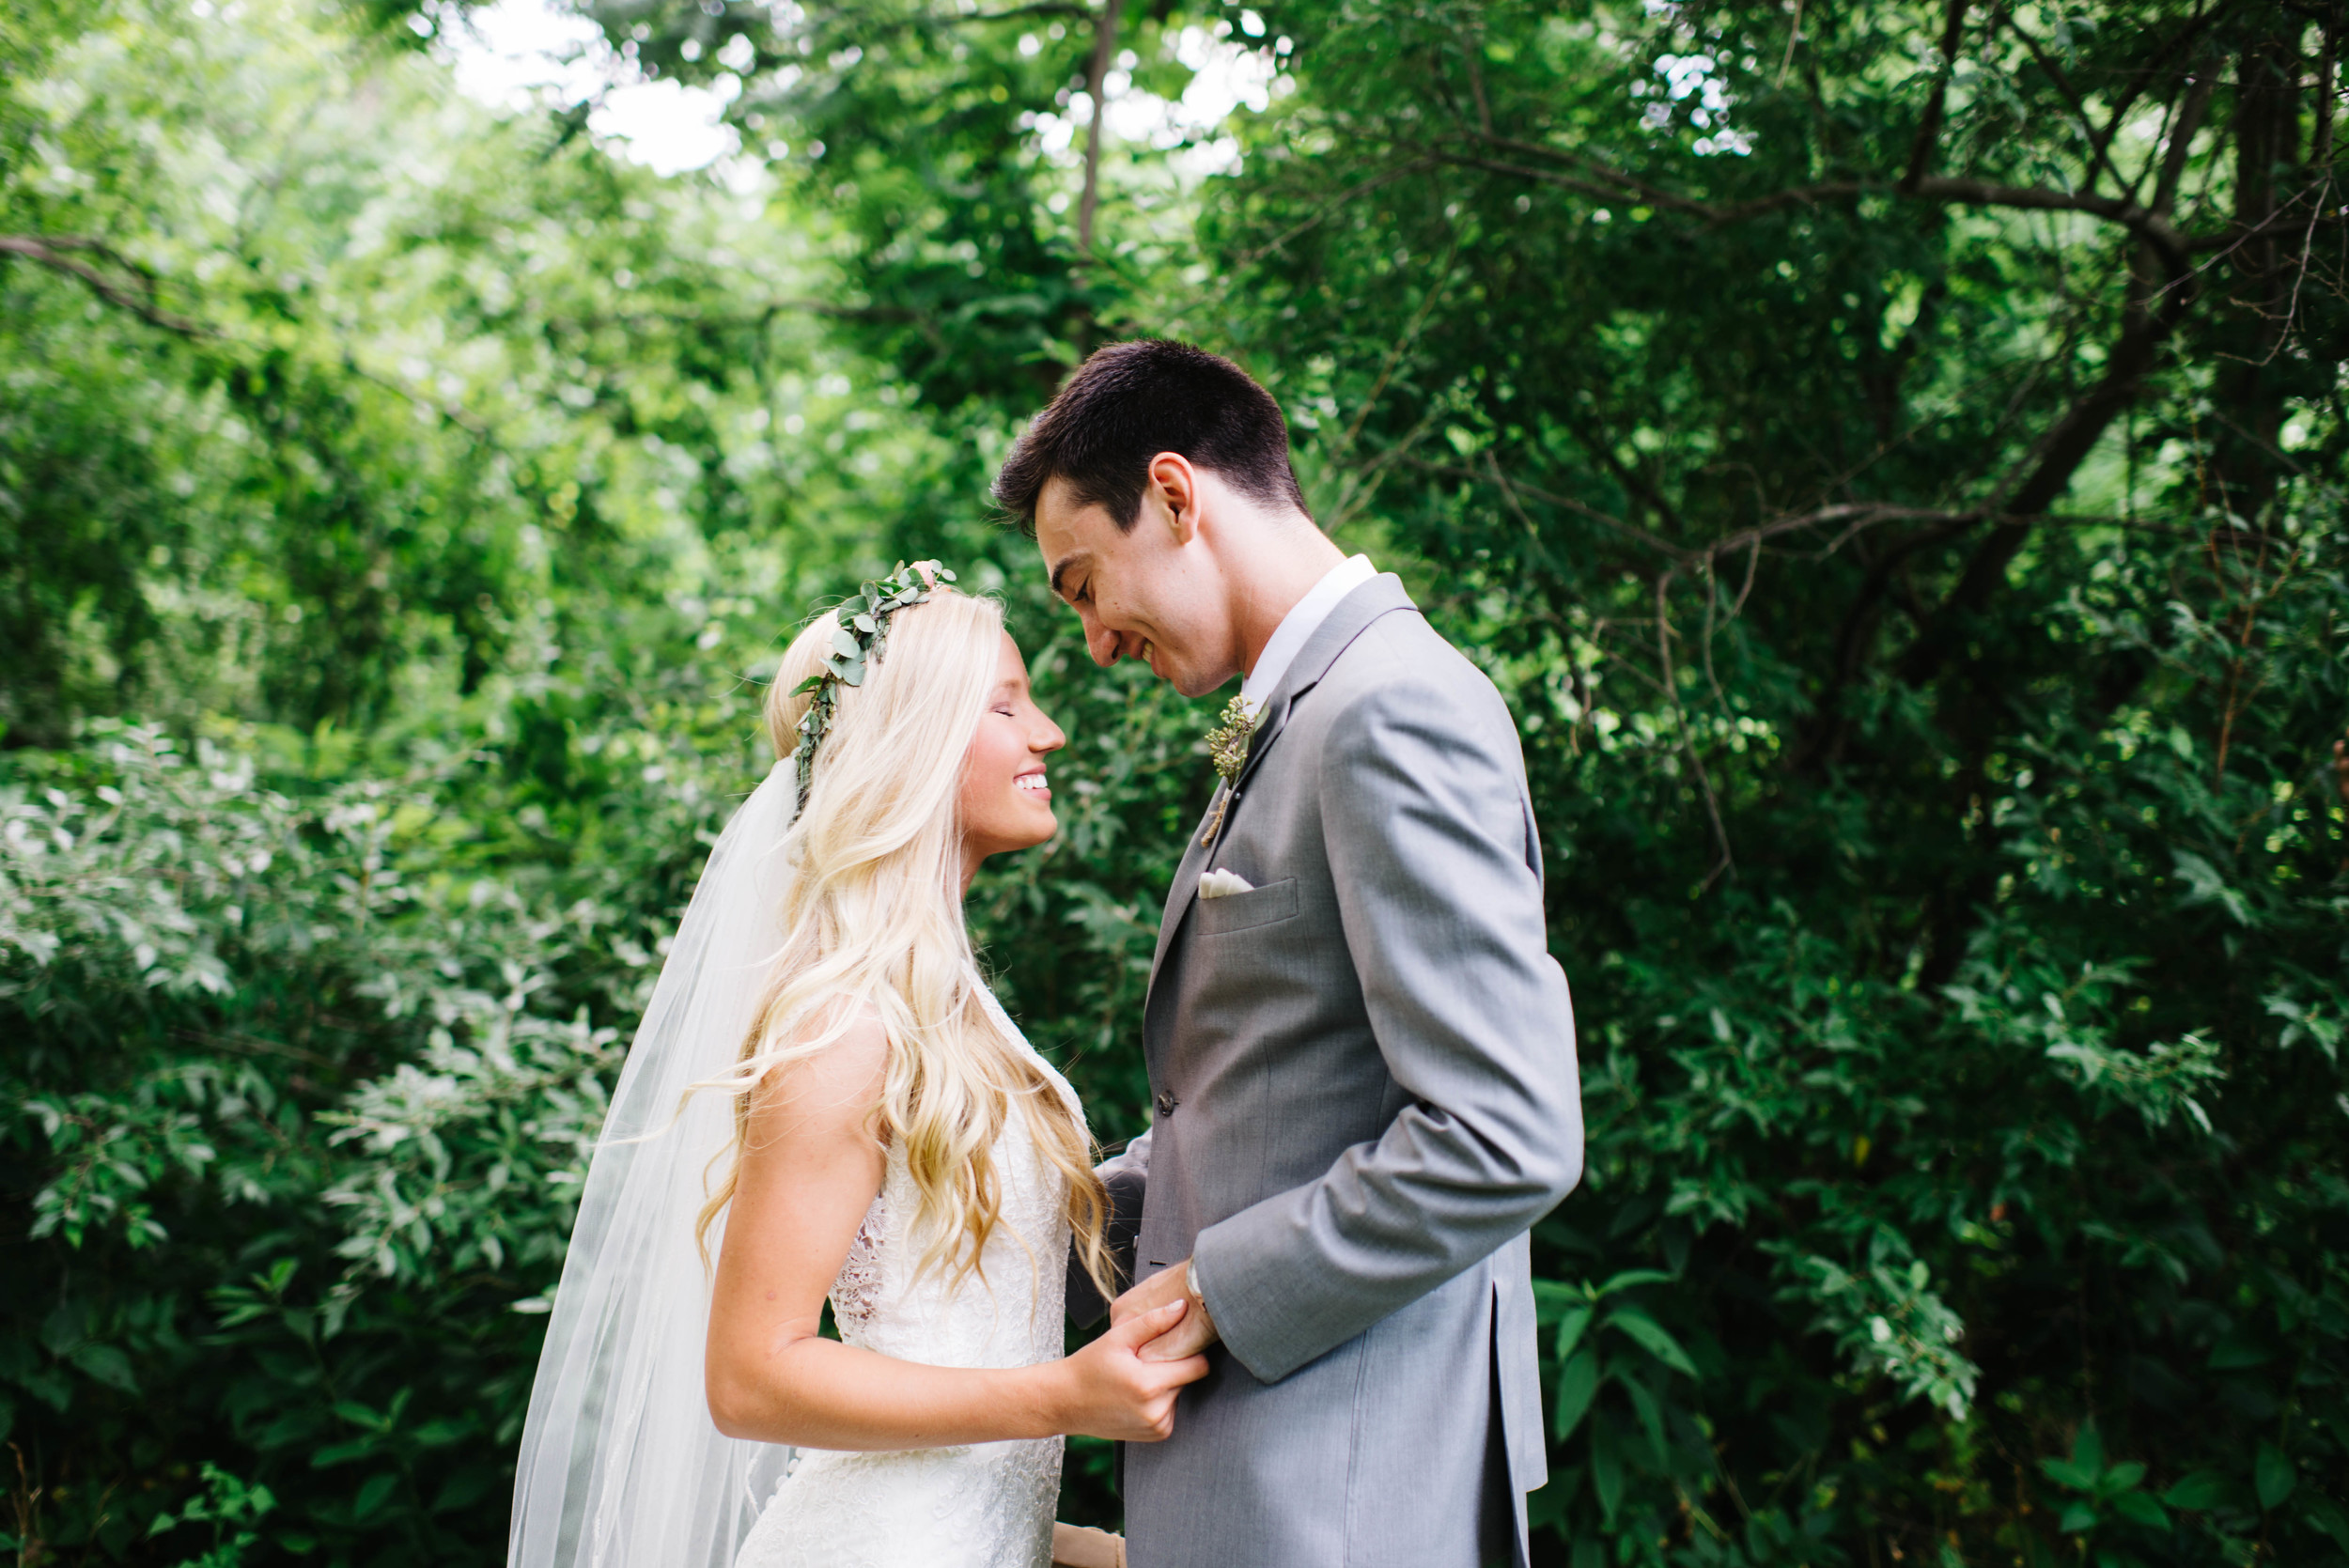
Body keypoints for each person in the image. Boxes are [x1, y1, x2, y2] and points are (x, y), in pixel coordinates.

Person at [996, 340, 1586, 1568]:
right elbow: (1259, 1103)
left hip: (1341, 1494)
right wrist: (981, 1249)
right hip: (1272, 1481)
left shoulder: (1388, 709)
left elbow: (1506, 1134)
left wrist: (1214, 1290)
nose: (1096, 643)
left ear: (1173, 494)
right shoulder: (1306, 719)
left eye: (1083, 584)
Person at [507, 566, 1197, 1568]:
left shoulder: (954, 1008)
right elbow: (753, 1377)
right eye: (1005, 704)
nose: (1047, 731)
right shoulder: (844, 1023)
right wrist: (1066, 1395)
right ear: (913, 746)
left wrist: (1054, 1545)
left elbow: (958, 1339)